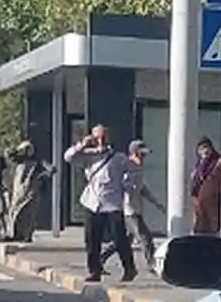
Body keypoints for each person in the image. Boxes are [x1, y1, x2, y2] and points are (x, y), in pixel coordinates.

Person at [65, 122, 136, 285]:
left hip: (112, 203)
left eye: (103, 137)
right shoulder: (88, 156)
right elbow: (68, 157)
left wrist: (126, 186)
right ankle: (94, 270)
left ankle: (129, 268)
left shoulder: (118, 157)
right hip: (92, 202)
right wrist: (83, 144)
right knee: (92, 239)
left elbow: (133, 171)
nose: (101, 141)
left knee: (119, 238)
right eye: (97, 137)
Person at [124, 138, 161, 271]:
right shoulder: (127, 166)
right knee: (145, 238)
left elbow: (143, 189)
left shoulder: (138, 168)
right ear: (134, 153)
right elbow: (123, 185)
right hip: (129, 209)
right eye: (141, 154)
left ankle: (100, 258)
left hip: (135, 208)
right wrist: (130, 192)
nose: (144, 158)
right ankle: (151, 264)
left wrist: (156, 203)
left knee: (125, 240)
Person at [5, 137, 44, 242]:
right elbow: (8, 154)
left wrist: (39, 179)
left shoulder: (37, 162)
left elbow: (51, 169)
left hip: (30, 191)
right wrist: (19, 149)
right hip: (19, 190)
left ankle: (26, 234)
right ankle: (13, 233)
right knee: (14, 211)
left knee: (28, 213)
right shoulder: (19, 161)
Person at [190, 136, 221, 235]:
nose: (204, 151)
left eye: (206, 147)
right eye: (201, 149)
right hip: (198, 200)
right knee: (200, 226)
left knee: (212, 227)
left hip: (213, 201)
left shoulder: (217, 162)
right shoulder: (198, 165)